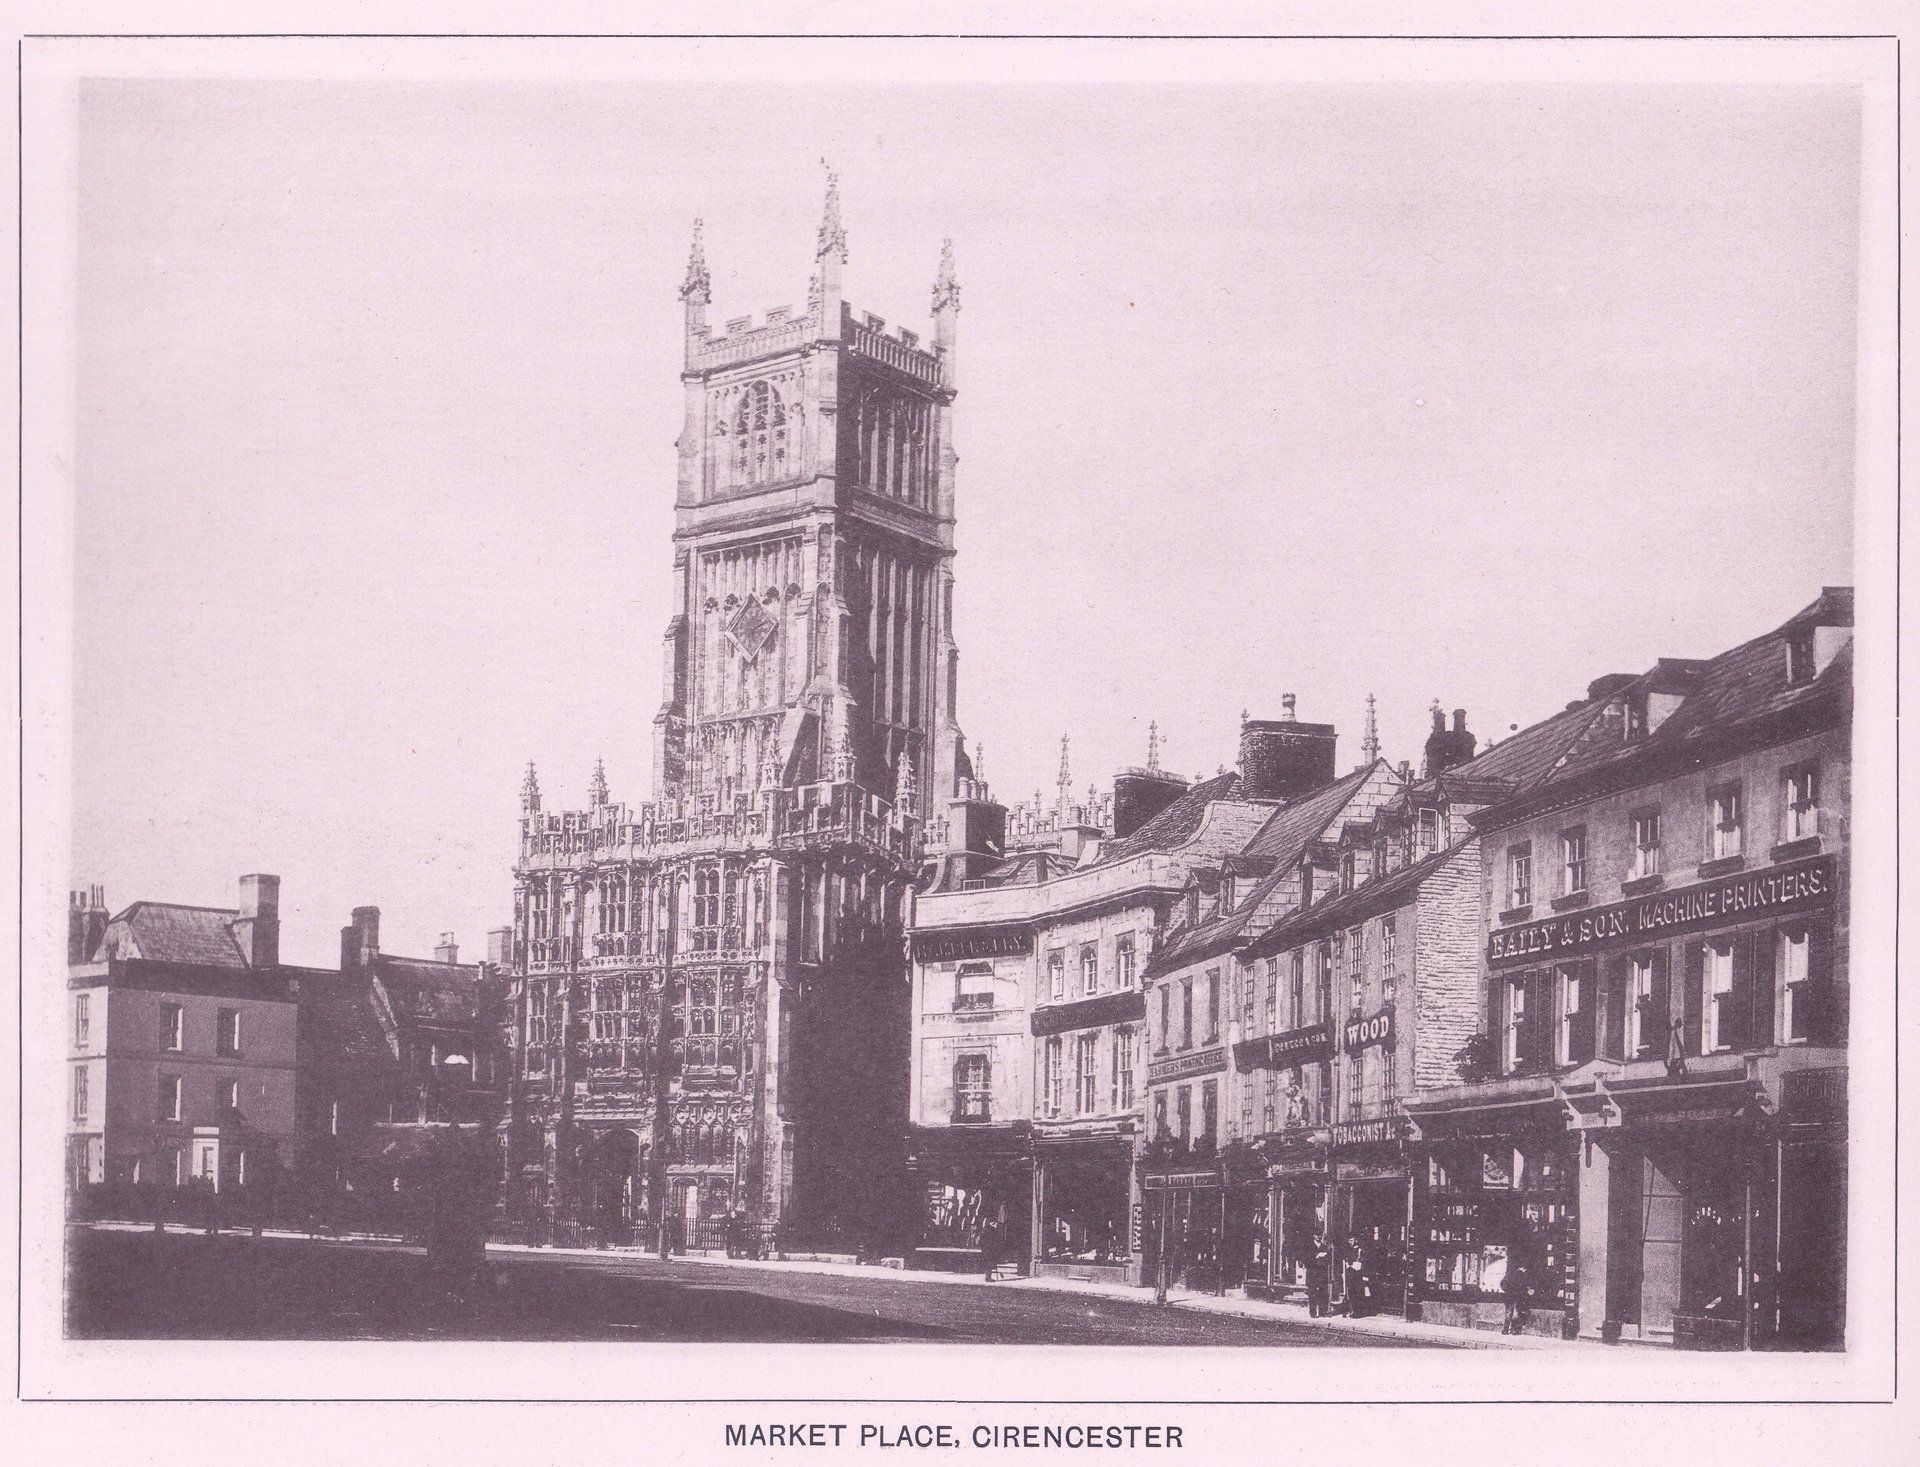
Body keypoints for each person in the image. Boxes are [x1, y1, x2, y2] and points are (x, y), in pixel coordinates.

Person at [1502, 1255, 1531, 1335]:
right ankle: (1514, 1330)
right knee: (1516, 1313)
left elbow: (1502, 1283)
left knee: (1509, 1313)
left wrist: (1507, 1291)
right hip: (1516, 1297)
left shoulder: (1510, 1274)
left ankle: (1506, 1329)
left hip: (1509, 1296)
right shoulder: (1520, 1275)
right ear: (1521, 1267)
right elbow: (1523, 1286)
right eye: (1524, 1268)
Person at [1306, 1234, 1332, 1319]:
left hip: (1322, 1273)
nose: (1319, 1237)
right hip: (1312, 1273)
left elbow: (1329, 1259)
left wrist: (1325, 1257)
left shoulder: (1324, 1247)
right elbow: (1306, 1260)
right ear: (1314, 1236)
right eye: (1317, 1235)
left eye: (1320, 1235)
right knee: (1312, 1293)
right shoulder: (1309, 1247)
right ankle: (1313, 1312)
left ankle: (1322, 1311)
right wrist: (1316, 1256)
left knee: (1323, 1292)